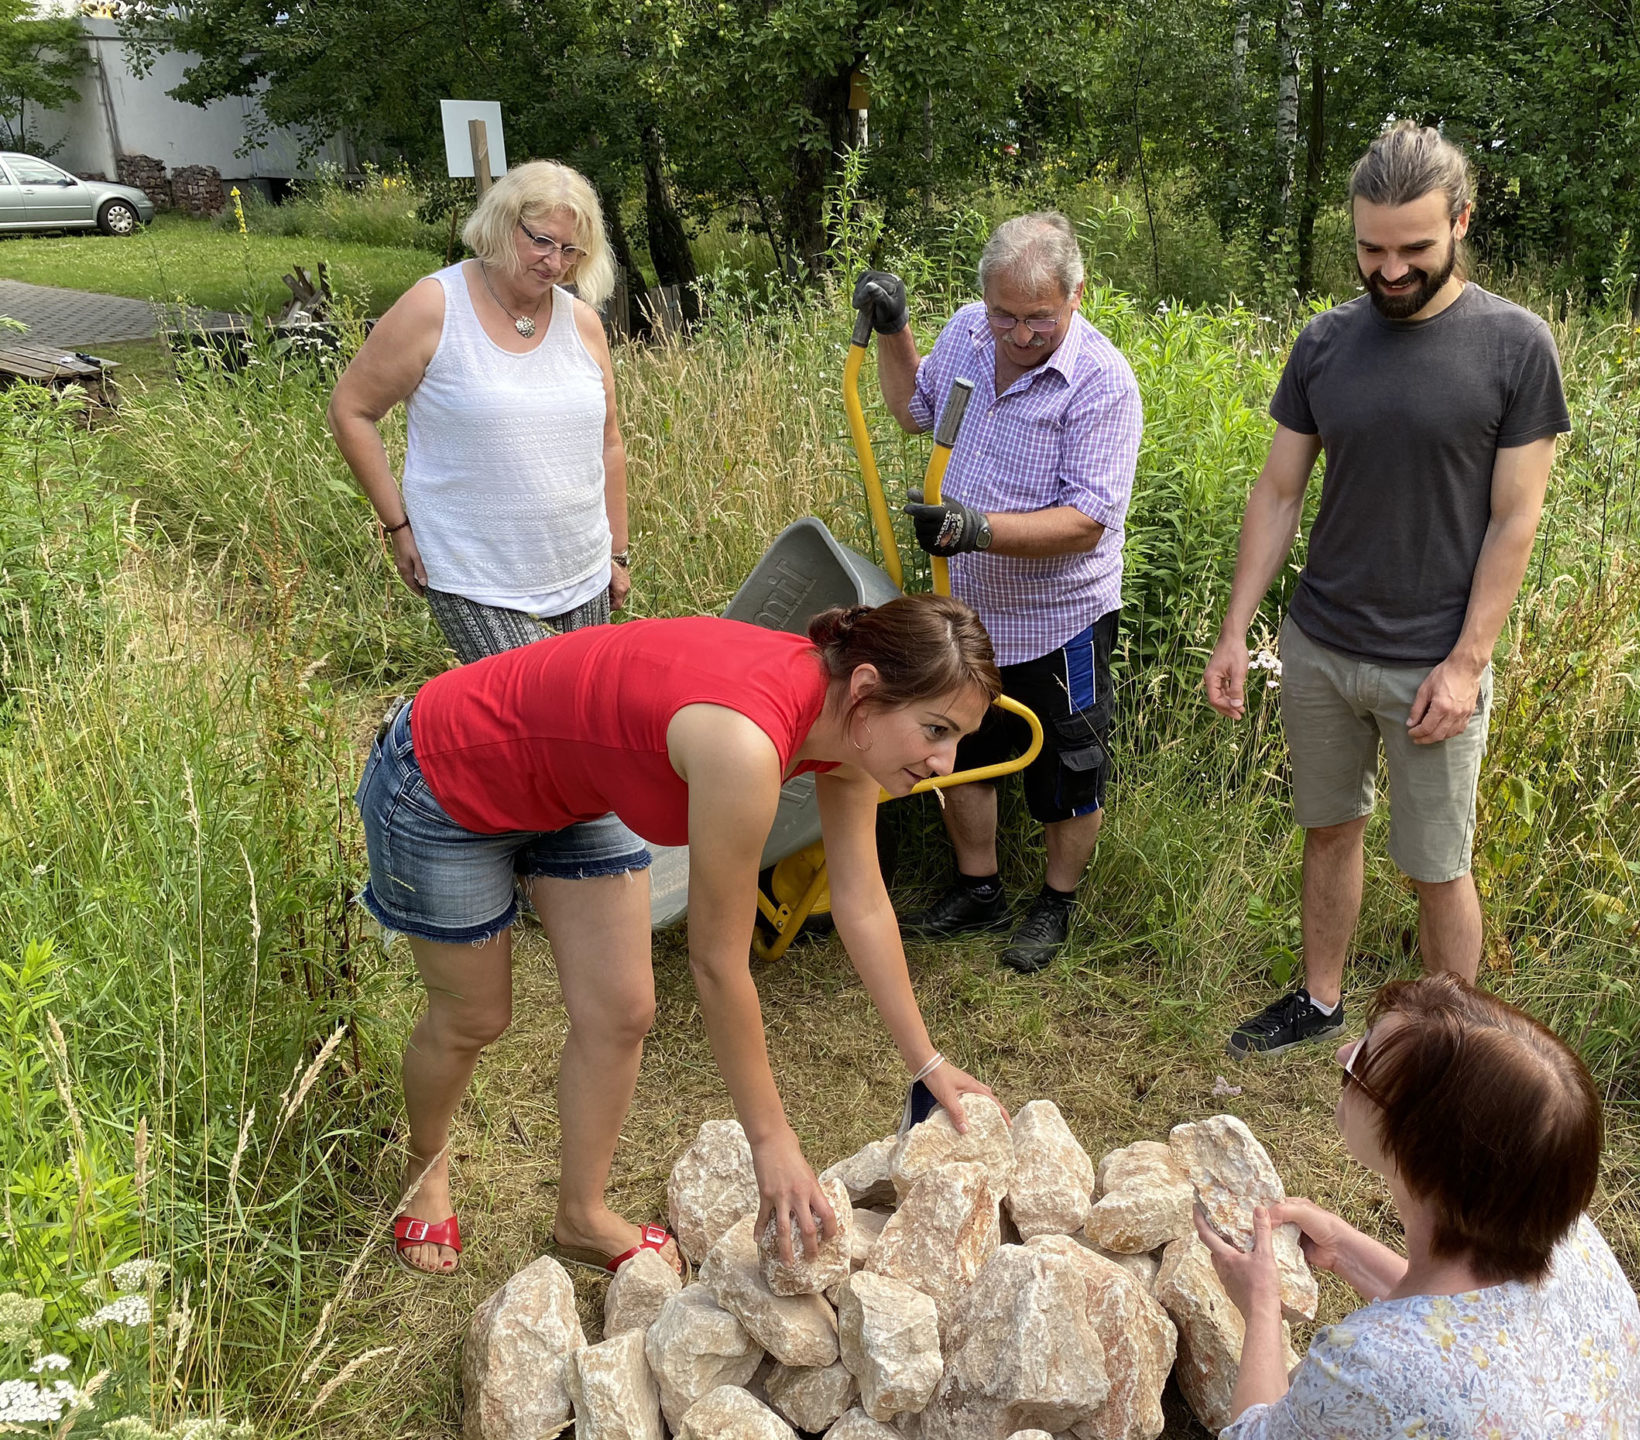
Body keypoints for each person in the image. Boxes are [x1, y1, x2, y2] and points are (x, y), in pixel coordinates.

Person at [358, 594, 1002, 1275]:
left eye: (957, 737)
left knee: (623, 1011)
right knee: (475, 1019)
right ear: (867, 690)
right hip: (446, 774)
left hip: (570, 788)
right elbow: (718, 964)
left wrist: (927, 1064)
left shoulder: (849, 735)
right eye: (936, 730)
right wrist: (772, 1142)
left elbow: (862, 903)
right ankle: (424, 1168)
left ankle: (580, 1217)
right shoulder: (744, 743)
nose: (946, 763)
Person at [1203, 122, 1570, 1056]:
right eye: (1371, 248)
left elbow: (1513, 520)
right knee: (1328, 830)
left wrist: (1467, 663)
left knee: (1438, 868)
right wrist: (1237, 629)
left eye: (1414, 248)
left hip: (1433, 665)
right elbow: (1279, 489)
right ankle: (1321, 1000)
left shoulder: (1515, 346)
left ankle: (1451, 1047)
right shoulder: (1324, 343)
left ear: (1461, 221)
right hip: (1322, 646)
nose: (1390, 268)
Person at [853, 212, 1143, 974]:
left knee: (1067, 766)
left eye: (1037, 317)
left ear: (1077, 295)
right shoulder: (968, 336)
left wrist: (977, 529)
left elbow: (1087, 520)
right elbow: (912, 410)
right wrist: (895, 329)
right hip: (964, 610)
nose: (1018, 334)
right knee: (960, 744)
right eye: (1004, 314)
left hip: (1059, 619)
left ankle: (1055, 901)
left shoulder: (1102, 383)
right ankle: (977, 890)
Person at [1194, 974, 1640, 1437]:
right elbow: (1459, 1327)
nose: (1340, 1052)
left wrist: (1260, 1306)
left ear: (1419, 1147)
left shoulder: (1371, 1370)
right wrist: (1345, 1249)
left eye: (1358, 1064)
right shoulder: (1573, 1241)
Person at [328, 159, 631, 664]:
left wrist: (617, 554)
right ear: (502, 223)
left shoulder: (582, 323)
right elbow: (350, 410)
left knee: (578, 725)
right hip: (474, 573)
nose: (555, 262)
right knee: (534, 710)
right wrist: (398, 528)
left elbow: (609, 443)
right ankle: (404, 742)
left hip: (583, 569)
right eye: (541, 240)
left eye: (571, 250)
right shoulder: (436, 307)